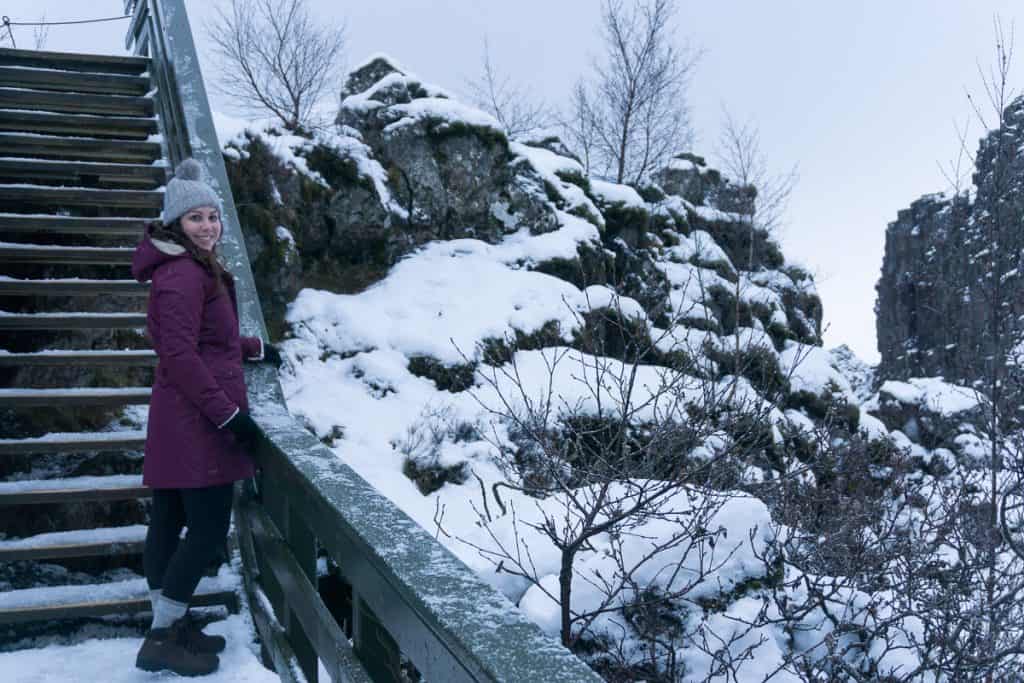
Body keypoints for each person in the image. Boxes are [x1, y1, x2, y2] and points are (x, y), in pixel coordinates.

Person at [130, 158, 282, 676]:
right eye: (195, 218)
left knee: (170, 521)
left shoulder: (192, 269)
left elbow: (207, 339)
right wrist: (228, 416)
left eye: (212, 216)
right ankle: (160, 638)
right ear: (176, 225)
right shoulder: (180, 276)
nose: (209, 226)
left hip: (182, 414)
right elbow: (179, 355)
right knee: (208, 526)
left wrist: (253, 347)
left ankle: (170, 624)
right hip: (195, 418)